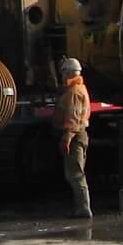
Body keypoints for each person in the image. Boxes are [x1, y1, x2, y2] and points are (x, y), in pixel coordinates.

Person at [54, 56, 92, 217]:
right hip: (77, 135)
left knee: (75, 174)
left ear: (69, 73)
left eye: (63, 73)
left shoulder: (74, 92)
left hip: (75, 136)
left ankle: (83, 208)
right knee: (74, 173)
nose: (62, 76)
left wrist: (67, 138)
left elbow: (73, 118)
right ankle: (81, 207)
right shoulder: (77, 89)